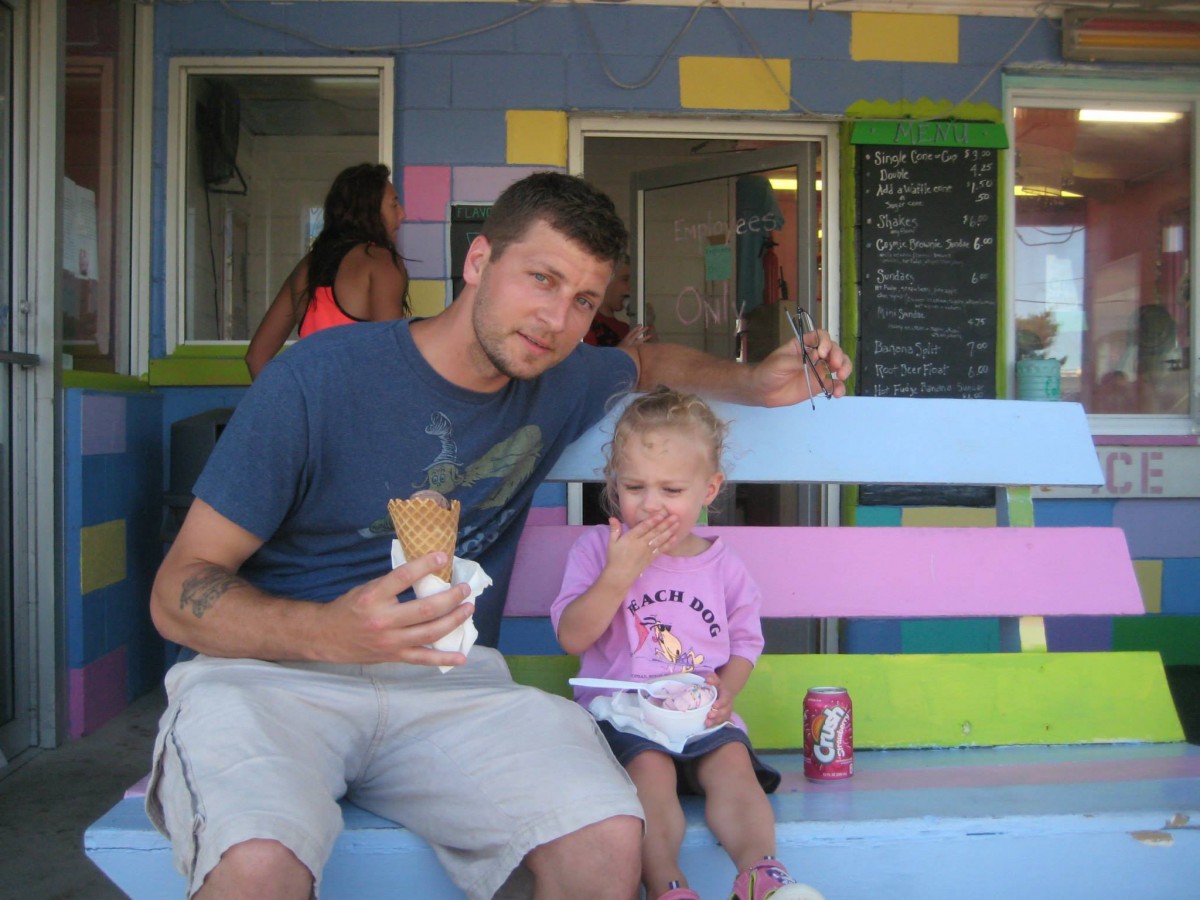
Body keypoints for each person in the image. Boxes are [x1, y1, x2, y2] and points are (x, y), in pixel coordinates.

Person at [147, 171, 851, 899]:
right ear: (478, 261)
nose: (556, 319)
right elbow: (177, 593)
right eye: (540, 279)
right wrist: (332, 632)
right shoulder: (314, 380)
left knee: (607, 837)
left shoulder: (560, 377)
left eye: (583, 301)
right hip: (271, 679)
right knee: (259, 860)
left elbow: (646, 362)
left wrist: (754, 382)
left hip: (452, 693)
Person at [550, 388, 823, 900]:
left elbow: (745, 640)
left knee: (733, 769)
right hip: (625, 712)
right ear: (614, 485)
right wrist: (618, 575)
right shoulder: (597, 551)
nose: (650, 505)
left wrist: (728, 694)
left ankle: (762, 876)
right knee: (649, 777)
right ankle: (669, 886)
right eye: (634, 487)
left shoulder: (722, 565)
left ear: (709, 488)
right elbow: (572, 637)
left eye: (672, 490)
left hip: (699, 710)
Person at [244, 162, 410, 379]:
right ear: (369, 210)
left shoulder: (308, 266)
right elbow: (390, 356)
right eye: (393, 204)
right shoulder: (380, 261)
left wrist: (286, 409)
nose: (402, 214)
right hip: (361, 409)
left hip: (313, 407)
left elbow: (256, 356)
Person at [584, 255, 654, 348]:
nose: (630, 287)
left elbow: (655, 356)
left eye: (632, 281)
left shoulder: (625, 329)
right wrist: (621, 352)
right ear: (606, 281)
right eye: (625, 279)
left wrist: (648, 323)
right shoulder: (586, 323)